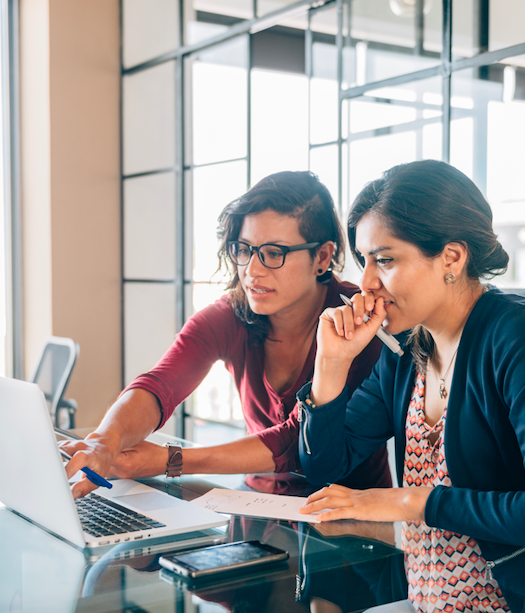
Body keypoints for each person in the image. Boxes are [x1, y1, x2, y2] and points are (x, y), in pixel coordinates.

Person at [297, 160, 525, 610]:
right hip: (429, 602)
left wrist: (412, 500)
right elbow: (324, 467)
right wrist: (330, 366)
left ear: (452, 257)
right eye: (364, 260)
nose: (366, 283)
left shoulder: (522, 336)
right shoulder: (408, 350)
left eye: (384, 260)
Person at [62, 170, 391, 497]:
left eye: (274, 253)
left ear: (321, 257)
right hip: (256, 505)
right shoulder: (232, 314)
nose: (252, 270)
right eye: (244, 249)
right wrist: (104, 441)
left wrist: (171, 460)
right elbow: (160, 385)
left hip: (350, 522)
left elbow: (295, 442)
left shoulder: (358, 322)